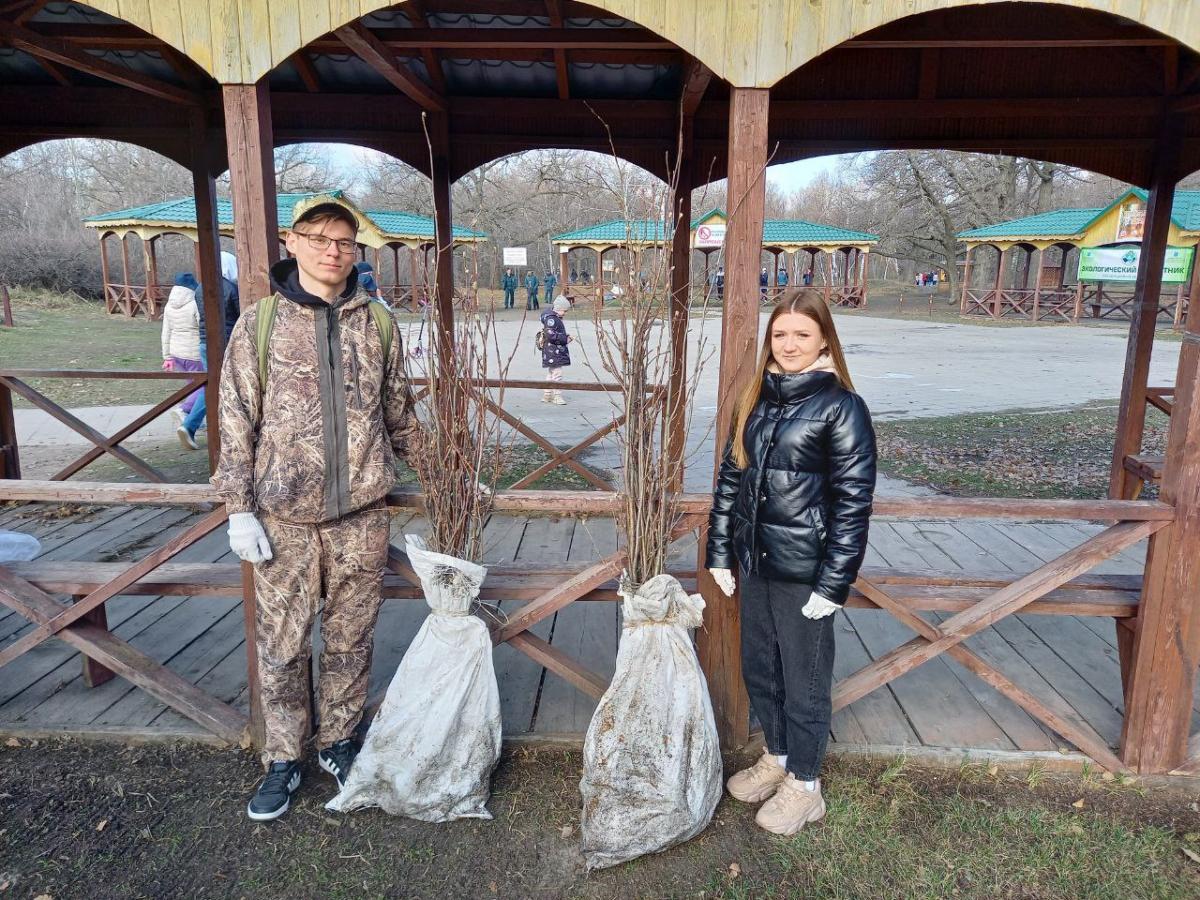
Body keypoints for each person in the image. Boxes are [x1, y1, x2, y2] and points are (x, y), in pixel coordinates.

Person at [212, 201, 415, 821]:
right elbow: (236, 416)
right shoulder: (261, 324)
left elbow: (400, 413)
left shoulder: (377, 323)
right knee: (283, 644)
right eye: (320, 238)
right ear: (292, 243)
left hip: (362, 517)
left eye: (346, 242)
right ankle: (282, 759)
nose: (334, 250)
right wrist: (238, 508)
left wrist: (455, 478)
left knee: (352, 643)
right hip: (283, 520)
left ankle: (339, 743)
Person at [706, 289, 876, 837]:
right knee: (762, 668)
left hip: (806, 574)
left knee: (803, 680)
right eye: (780, 334)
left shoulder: (842, 407)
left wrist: (834, 583)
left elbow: (854, 504)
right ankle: (778, 757)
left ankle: (806, 785)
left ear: (825, 339)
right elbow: (732, 478)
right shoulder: (755, 398)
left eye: (802, 334)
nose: (789, 344)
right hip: (755, 563)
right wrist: (720, 551)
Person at [177, 251, 240, 450]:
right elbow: (240, 316)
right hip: (224, 343)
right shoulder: (231, 288)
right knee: (215, 386)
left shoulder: (200, 289)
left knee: (213, 385)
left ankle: (218, 428)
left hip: (204, 342)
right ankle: (190, 425)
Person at [161, 273, 204, 421]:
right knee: (202, 387)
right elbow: (202, 327)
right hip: (193, 353)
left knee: (191, 386)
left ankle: (193, 419)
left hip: (176, 353)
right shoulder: (195, 303)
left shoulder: (169, 305)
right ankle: (184, 410)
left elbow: (165, 332)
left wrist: (167, 356)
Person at [540, 295, 573, 404]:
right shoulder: (552, 320)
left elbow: (554, 333)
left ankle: (547, 394)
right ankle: (557, 395)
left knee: (551, 372)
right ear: (558, 309)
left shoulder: (553, 318)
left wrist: (565, 336)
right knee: (557, 373)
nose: (565, 313)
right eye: (564, 311)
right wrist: (565, 339)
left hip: (551, 352)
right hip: (554, 351)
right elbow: (551, 335)